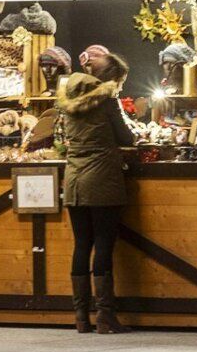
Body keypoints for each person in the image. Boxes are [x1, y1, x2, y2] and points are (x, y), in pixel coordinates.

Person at [57, 58, 138, 334]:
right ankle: (105, 316)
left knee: (82, 244)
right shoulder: (107, 101)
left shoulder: (68, 98)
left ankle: (81, 317)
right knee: (103, 243)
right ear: (112, 79)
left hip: (74, 180)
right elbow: (126, 138)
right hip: (102, 178)